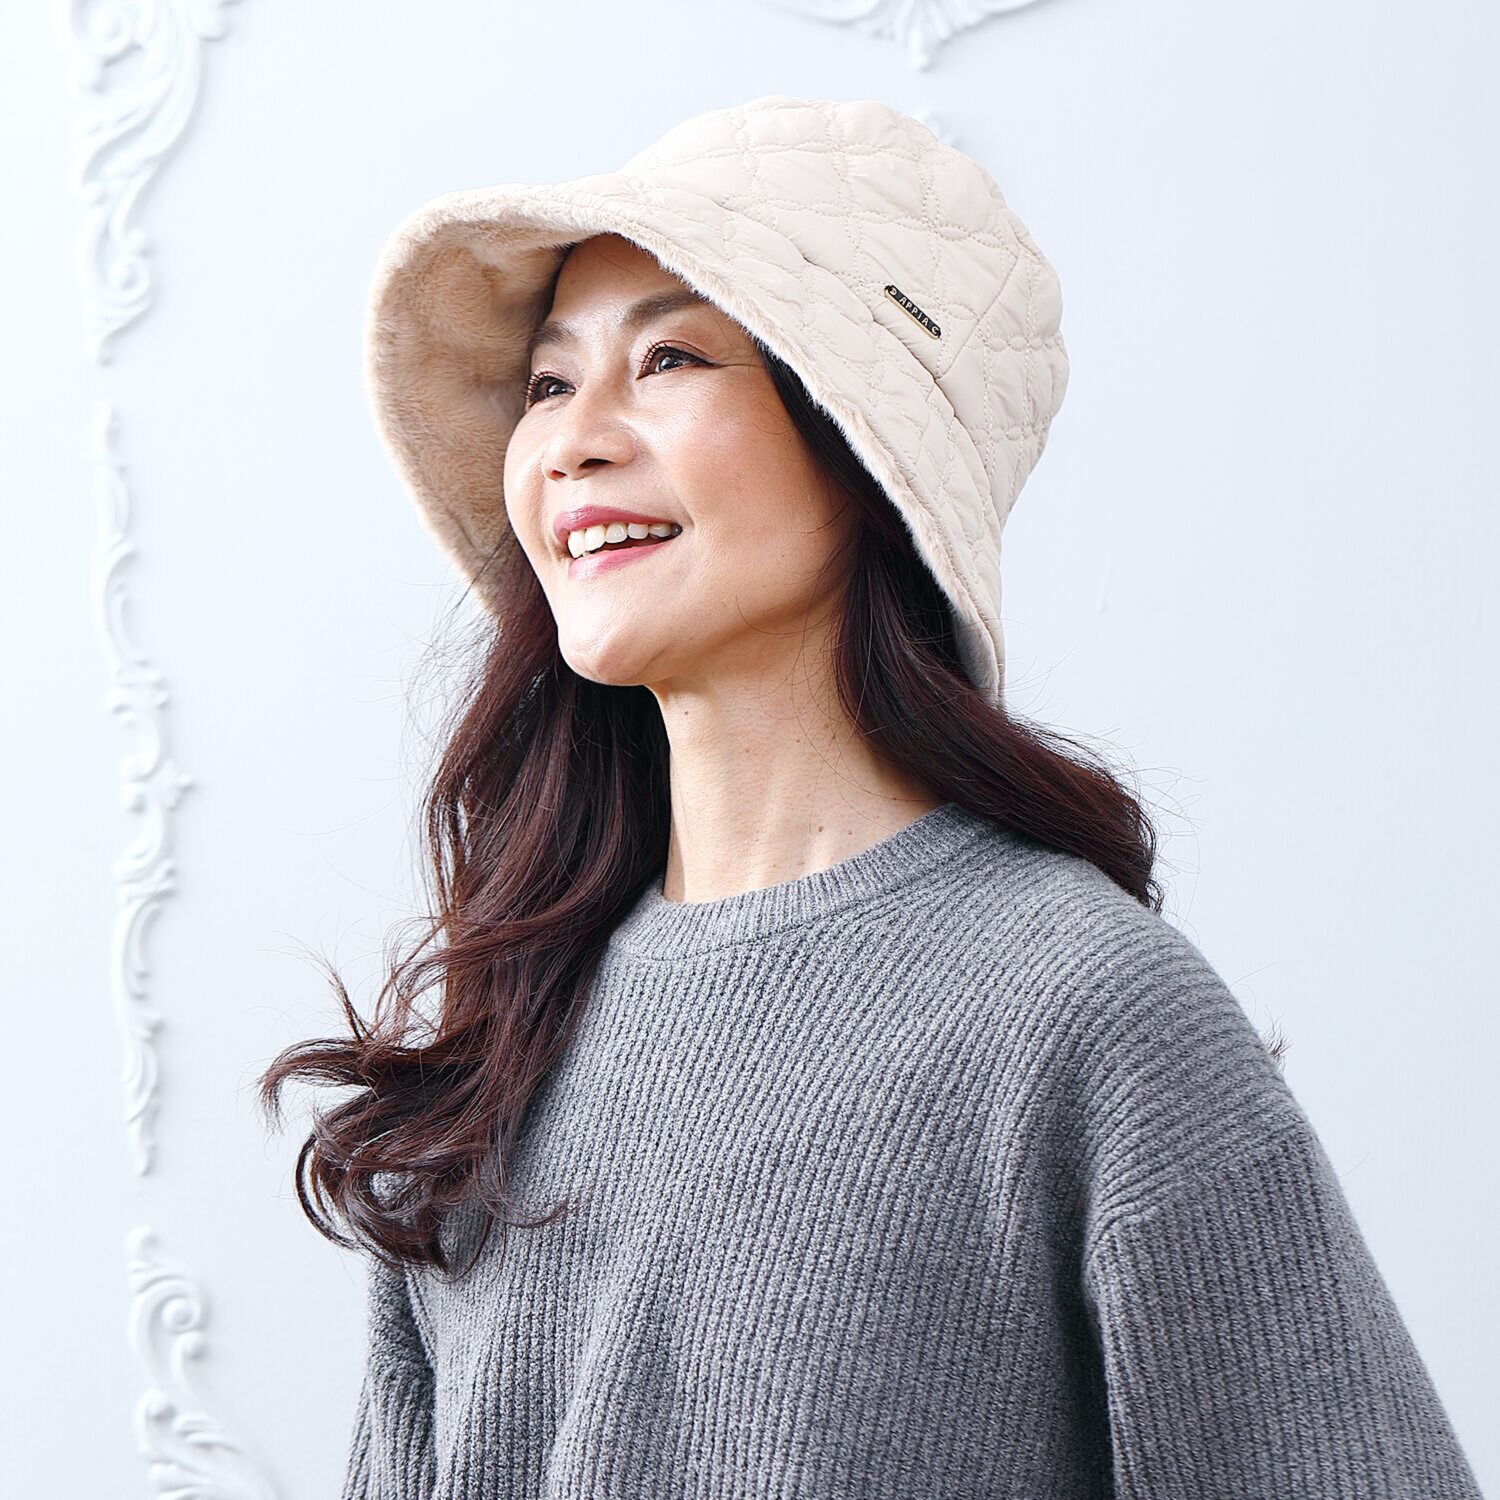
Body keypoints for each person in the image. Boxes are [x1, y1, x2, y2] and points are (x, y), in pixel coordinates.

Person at [259, 95, 1483, 1499]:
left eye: (670, 357)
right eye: (547, 383)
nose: (571, 441)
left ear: (858, 449)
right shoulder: (508, 1014)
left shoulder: (1083, 1010)